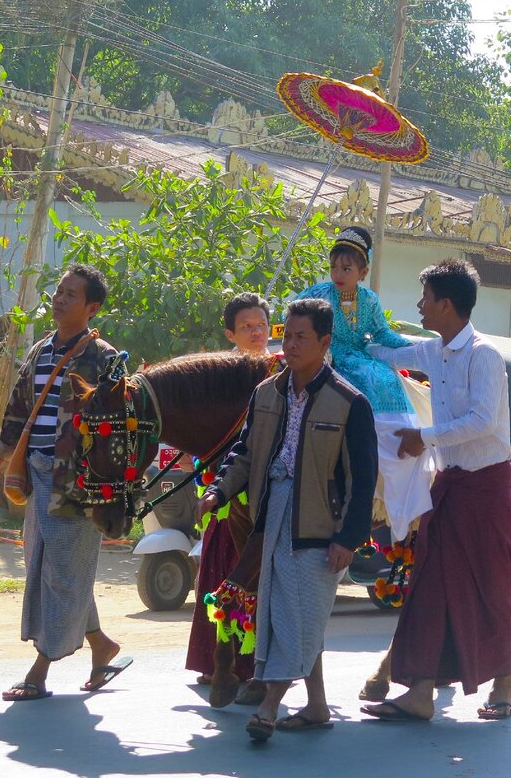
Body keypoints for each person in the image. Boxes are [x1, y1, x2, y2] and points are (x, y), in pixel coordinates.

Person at [198, 298, 377, 740]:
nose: (290, 345)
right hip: (268, 516)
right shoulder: (266, 394)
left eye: (301, 337)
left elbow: (363, 478)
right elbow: (244, 453)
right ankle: (316, 706)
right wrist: (219, 489)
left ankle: (269, 706)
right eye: (287, 335)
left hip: (319, 527)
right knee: (287, 612)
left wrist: (349, 537)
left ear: (325, 342)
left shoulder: (350, 403)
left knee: (296, 613)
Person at [360, 258, 511, 722]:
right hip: (447, 484)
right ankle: (421, 690)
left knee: (491, 585)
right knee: (428, 581)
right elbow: (389, 355)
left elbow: (482, 422)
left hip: (487, 485)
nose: (419, 305)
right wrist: (350, 334)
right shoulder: (434, 350)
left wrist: (422, 437)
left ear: (446, 305)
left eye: (425, 298)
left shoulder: (484, 355)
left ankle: (503, 685)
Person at [0, 265, 132, 700]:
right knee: (52, 567)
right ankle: (102, 646)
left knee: (60, 572)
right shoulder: (41, 350)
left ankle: (40, 669)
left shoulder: (105, 359)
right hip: (35, 474)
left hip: (78, 484)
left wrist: (111, 493)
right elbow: (16, 416)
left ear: (92, 307)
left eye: (70, 294)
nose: (59, 299)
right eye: (59, 291)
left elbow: (118, 431)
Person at [296, 226, 433, 542]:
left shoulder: (369, 300)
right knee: (361, 376)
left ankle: (394, 448)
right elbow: (295, 316)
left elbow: (381, 334)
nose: (338, 274)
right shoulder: (317, 295)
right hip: (329, 358)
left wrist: (411, 349)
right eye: (334, 267)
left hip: (359, 358)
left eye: (346, 268)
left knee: (382, 376)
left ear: (363, 271)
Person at [188, 292, 273, 706]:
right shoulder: (219, 375)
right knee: (219, 569)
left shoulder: (282, 370)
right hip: (222, 486)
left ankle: (251, 666)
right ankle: (213, 661)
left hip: (260, 493)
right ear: (230, 334)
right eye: (246, 327)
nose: (256, 333)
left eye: (261, 325)